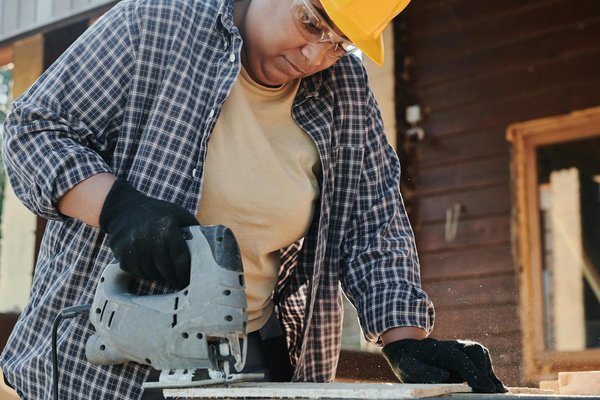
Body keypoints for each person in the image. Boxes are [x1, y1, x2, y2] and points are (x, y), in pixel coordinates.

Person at [0, 0, 508, 398]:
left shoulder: (343, 87)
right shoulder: (155, 23)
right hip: (106, 364)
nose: (315, 56)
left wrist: (406, 342)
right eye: (312, 22)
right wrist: (116, 208)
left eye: (340, 42)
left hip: (248, 362)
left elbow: (371, 219)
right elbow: (32, 129)